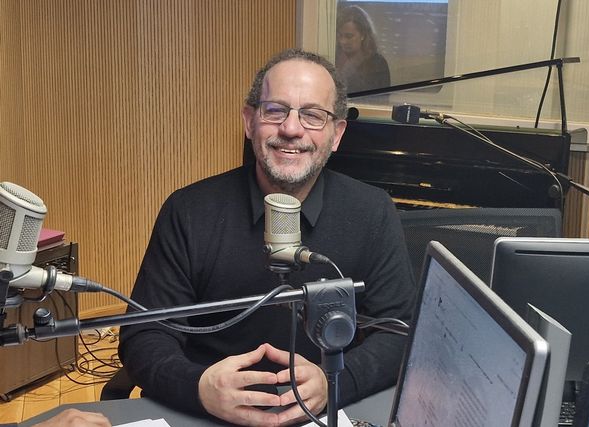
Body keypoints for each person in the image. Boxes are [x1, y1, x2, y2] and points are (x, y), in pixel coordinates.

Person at [118, 49, 416, 426]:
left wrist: (335, 381)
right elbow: (144, 335)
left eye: (312, 115)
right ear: (249, 120)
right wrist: (198, 387)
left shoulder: (372, 211)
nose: (291, 129)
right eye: (275, 110)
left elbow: (399, 332)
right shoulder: (189, 210)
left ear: (336, 134)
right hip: (207, 415)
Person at [335, 5, 390, 93]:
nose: (343, 41)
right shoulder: (334, 57)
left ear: (363, 35)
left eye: (349, 36)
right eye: (340, 36)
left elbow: (381, 100)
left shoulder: (378, 63)